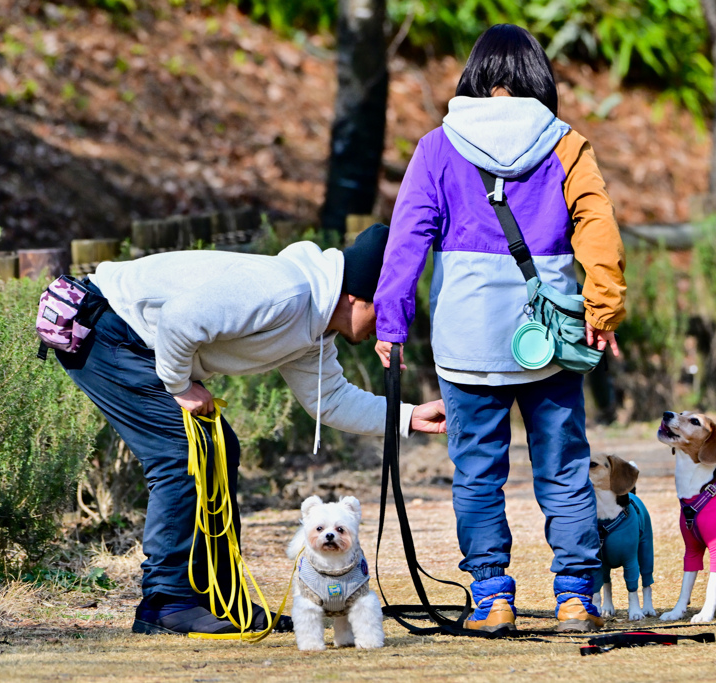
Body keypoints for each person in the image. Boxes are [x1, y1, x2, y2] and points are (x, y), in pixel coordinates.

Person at [57, 223, 447, 636]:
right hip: (102, 326)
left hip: (134, 338)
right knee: (181, 452)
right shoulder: (287, 292)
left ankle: (221, 600)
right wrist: (179, 386)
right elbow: (178, 318)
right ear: (357, 297)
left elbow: (329, 401)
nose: (387, 328)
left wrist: (407, 416)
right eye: (387, 312)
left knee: (220, 446)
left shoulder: (315, 327)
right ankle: (167, 603)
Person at [374, 25, 626, 633]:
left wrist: (392, 320)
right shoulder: (567, 145)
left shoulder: (437, 147)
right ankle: (574, 597)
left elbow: (407, 236)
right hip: (552, 338)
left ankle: (492, 598)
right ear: (537, 78)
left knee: (478, 474)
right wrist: (602, 305)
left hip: (468, 340)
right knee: (564, 468)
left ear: (477, 77)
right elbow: (597, 226)